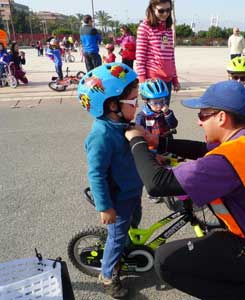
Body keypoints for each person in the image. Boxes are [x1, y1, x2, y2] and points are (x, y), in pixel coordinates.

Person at [124, 80, 245, 300]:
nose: (199, 123)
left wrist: (136, 140)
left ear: (221, 117)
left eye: (202, 115)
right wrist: (158, 142)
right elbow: (203, 150)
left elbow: (157, 183)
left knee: (165, 261)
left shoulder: (228, 161)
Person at [77, 63, 143, 299]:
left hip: (132, 193)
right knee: (116, 240)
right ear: (112, 105)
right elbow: (96, 174)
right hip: (117, 199)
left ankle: (123, 246)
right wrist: (105, 207)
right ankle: (107, 276)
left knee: (130, 226)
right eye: (133, 102)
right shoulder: (101, 135)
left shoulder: (122, 124)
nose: (137, 106)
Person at [136, 0, 180, 106]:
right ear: (152, 8)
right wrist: (142, 82)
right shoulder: (145, 27)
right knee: (153, 117)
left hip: (167, 80)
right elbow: (140, 58)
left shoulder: (168, 29)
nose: (165, 14)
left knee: (164, 115)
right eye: (161, 11)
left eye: (168, 10)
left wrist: (175, 79)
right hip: (153, 81)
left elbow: (170, 57)